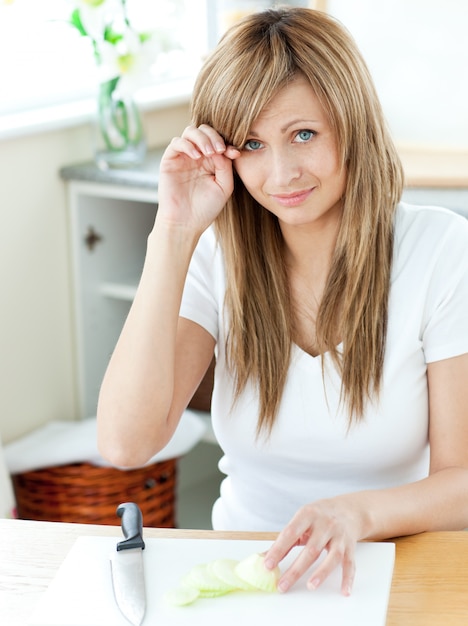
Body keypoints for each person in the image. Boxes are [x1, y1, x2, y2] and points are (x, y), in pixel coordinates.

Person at [97, 7, 468, 596]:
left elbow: (462, 482)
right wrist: (172, 232)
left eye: (303, 134)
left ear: (352, 124)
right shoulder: (215, 253)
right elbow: (126, 442)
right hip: (250, 575)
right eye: (250, 143)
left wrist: (357, 514)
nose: (281, 173)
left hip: (390, 570)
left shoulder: (440, 250)